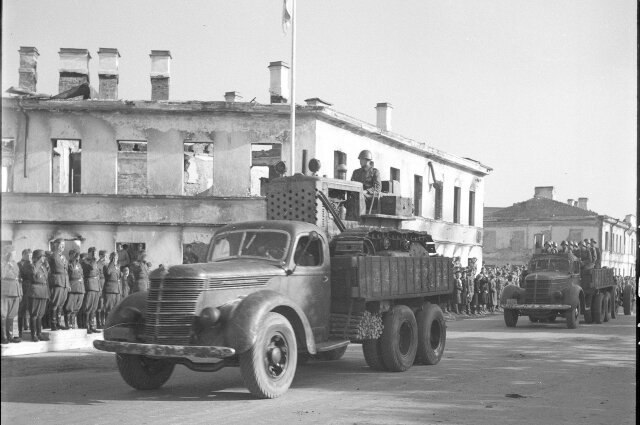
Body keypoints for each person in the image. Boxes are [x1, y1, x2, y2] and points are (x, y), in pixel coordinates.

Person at [1, 246, 23, 344]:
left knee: (12, 315)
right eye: (13, 253)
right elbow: (3, 275)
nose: (15, 255)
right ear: (8, 254)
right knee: (3, 315)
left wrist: (20, 292)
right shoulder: (2, 264)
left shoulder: (15, 264)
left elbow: (17, 277)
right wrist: (7, 265)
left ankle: (10, 336)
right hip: (5, 292)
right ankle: (3, 337)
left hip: (15, 291)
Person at [28, 250, 50, 342]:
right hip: (35, 292)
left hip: (43, 291)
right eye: (42, 256)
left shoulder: (43, 267)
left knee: (40, 314)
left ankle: (39, 333)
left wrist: (48, 293)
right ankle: (33, 335)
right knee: (34, 314)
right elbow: (33, 275)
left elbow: (46, 279)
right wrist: (37, 263)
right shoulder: (32, 266)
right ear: (38, 257)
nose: (44, 258)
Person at [48, 239, 69, 331]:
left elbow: (66, 271)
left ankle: (59, 323)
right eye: (60, 245)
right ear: (56, 245)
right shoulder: (53, 255)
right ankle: (53, 324)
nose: (62, 247)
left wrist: (67, 283)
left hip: (64, 282)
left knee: (61, 303)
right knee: (55, 303)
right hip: (57, 282)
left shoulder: (63, 257)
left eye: (63, 245)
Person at [81, 247, 101, 334]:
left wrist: (99, 287)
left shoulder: (95, 262)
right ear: (88, 253)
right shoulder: (85, 261)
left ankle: (92, 325)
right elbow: (92, 268)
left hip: (96, 286)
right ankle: (87, 326)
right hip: (89, 285)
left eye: (95, 253)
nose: (94, 255)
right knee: (88, 307)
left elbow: (98, 275)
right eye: (92, 253)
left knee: (94, 307)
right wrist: (93, 259)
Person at [64, 250, 85, 329]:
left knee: (77, 307)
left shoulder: (79, 265)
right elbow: (68, 275)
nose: (77, 256)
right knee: (69, 307)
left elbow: (81, 275)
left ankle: (73, 323)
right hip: (72, 287)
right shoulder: (68, 264)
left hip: (79, 287)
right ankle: (67, 323)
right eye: (74, 255)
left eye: (77, 255)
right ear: (70, 256)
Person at [17, 248, 32, 339]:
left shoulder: (32, 264)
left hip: (31, 288)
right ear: (23, 255)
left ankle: (28, 327)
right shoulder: (19, 264)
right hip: (23, 287)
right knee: (22, 309)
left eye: (30, 255)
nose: (29, 257)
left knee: (30, 308)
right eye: (27, 255)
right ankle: (20, 330)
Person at [103, 252, 121, 321]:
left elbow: (119, 276)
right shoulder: (107, 266)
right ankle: (107, 323)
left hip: (117, 289)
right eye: (114, 258)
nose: (115, 259)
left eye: (116, 258)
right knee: (109, 308)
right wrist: (111, 263)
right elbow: (108, 273)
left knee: (116, 308)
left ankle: (114, 323)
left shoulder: (117, 267)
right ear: (111, 258)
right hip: (110, 289)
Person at [96, 250, 108, 329]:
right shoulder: (97, 264)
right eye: (104, 256)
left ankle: (104, 322)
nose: (105, 257)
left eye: (106, 256)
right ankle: (98, 322)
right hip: (100, 283)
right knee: (99, 305)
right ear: (100, 256)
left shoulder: (107, 264)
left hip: (106, 284)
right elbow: (97, 275)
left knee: (105, 305)